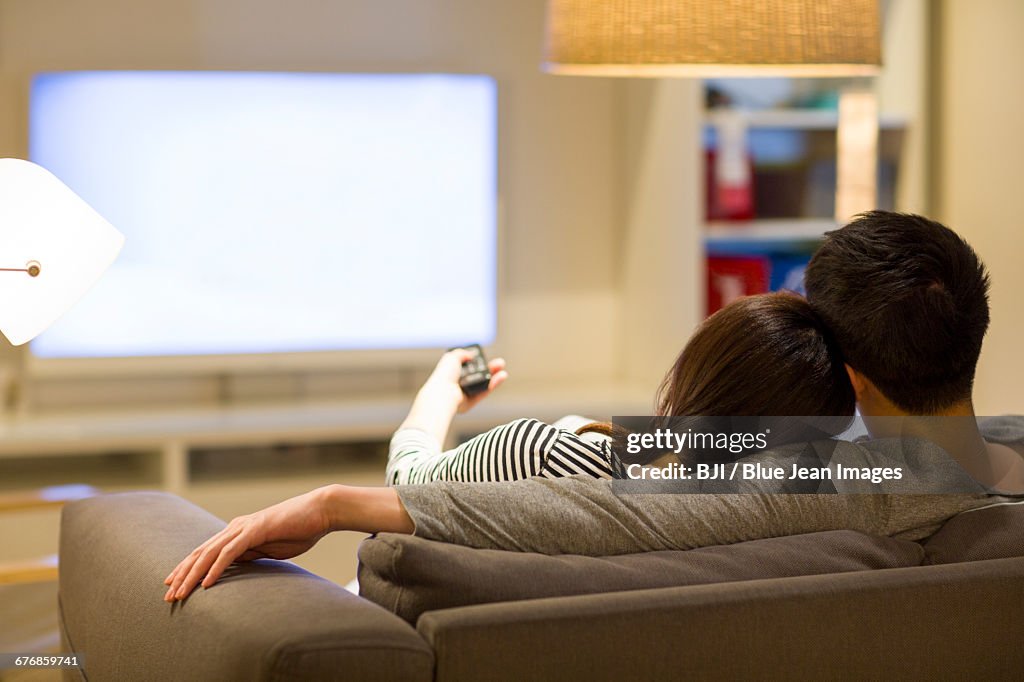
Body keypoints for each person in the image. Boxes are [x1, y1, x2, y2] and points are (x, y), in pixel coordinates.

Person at [164, 211, 1023, 604]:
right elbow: (662, 470)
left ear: (855, 381)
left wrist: (338, 503)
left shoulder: (851, 480)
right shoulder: (987, 468)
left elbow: (604, 504)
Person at [386, 291, 854, 486]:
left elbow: (406, 485)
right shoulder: (799, 505)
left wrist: (441, 393)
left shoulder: (539, 455)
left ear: (701, 369)